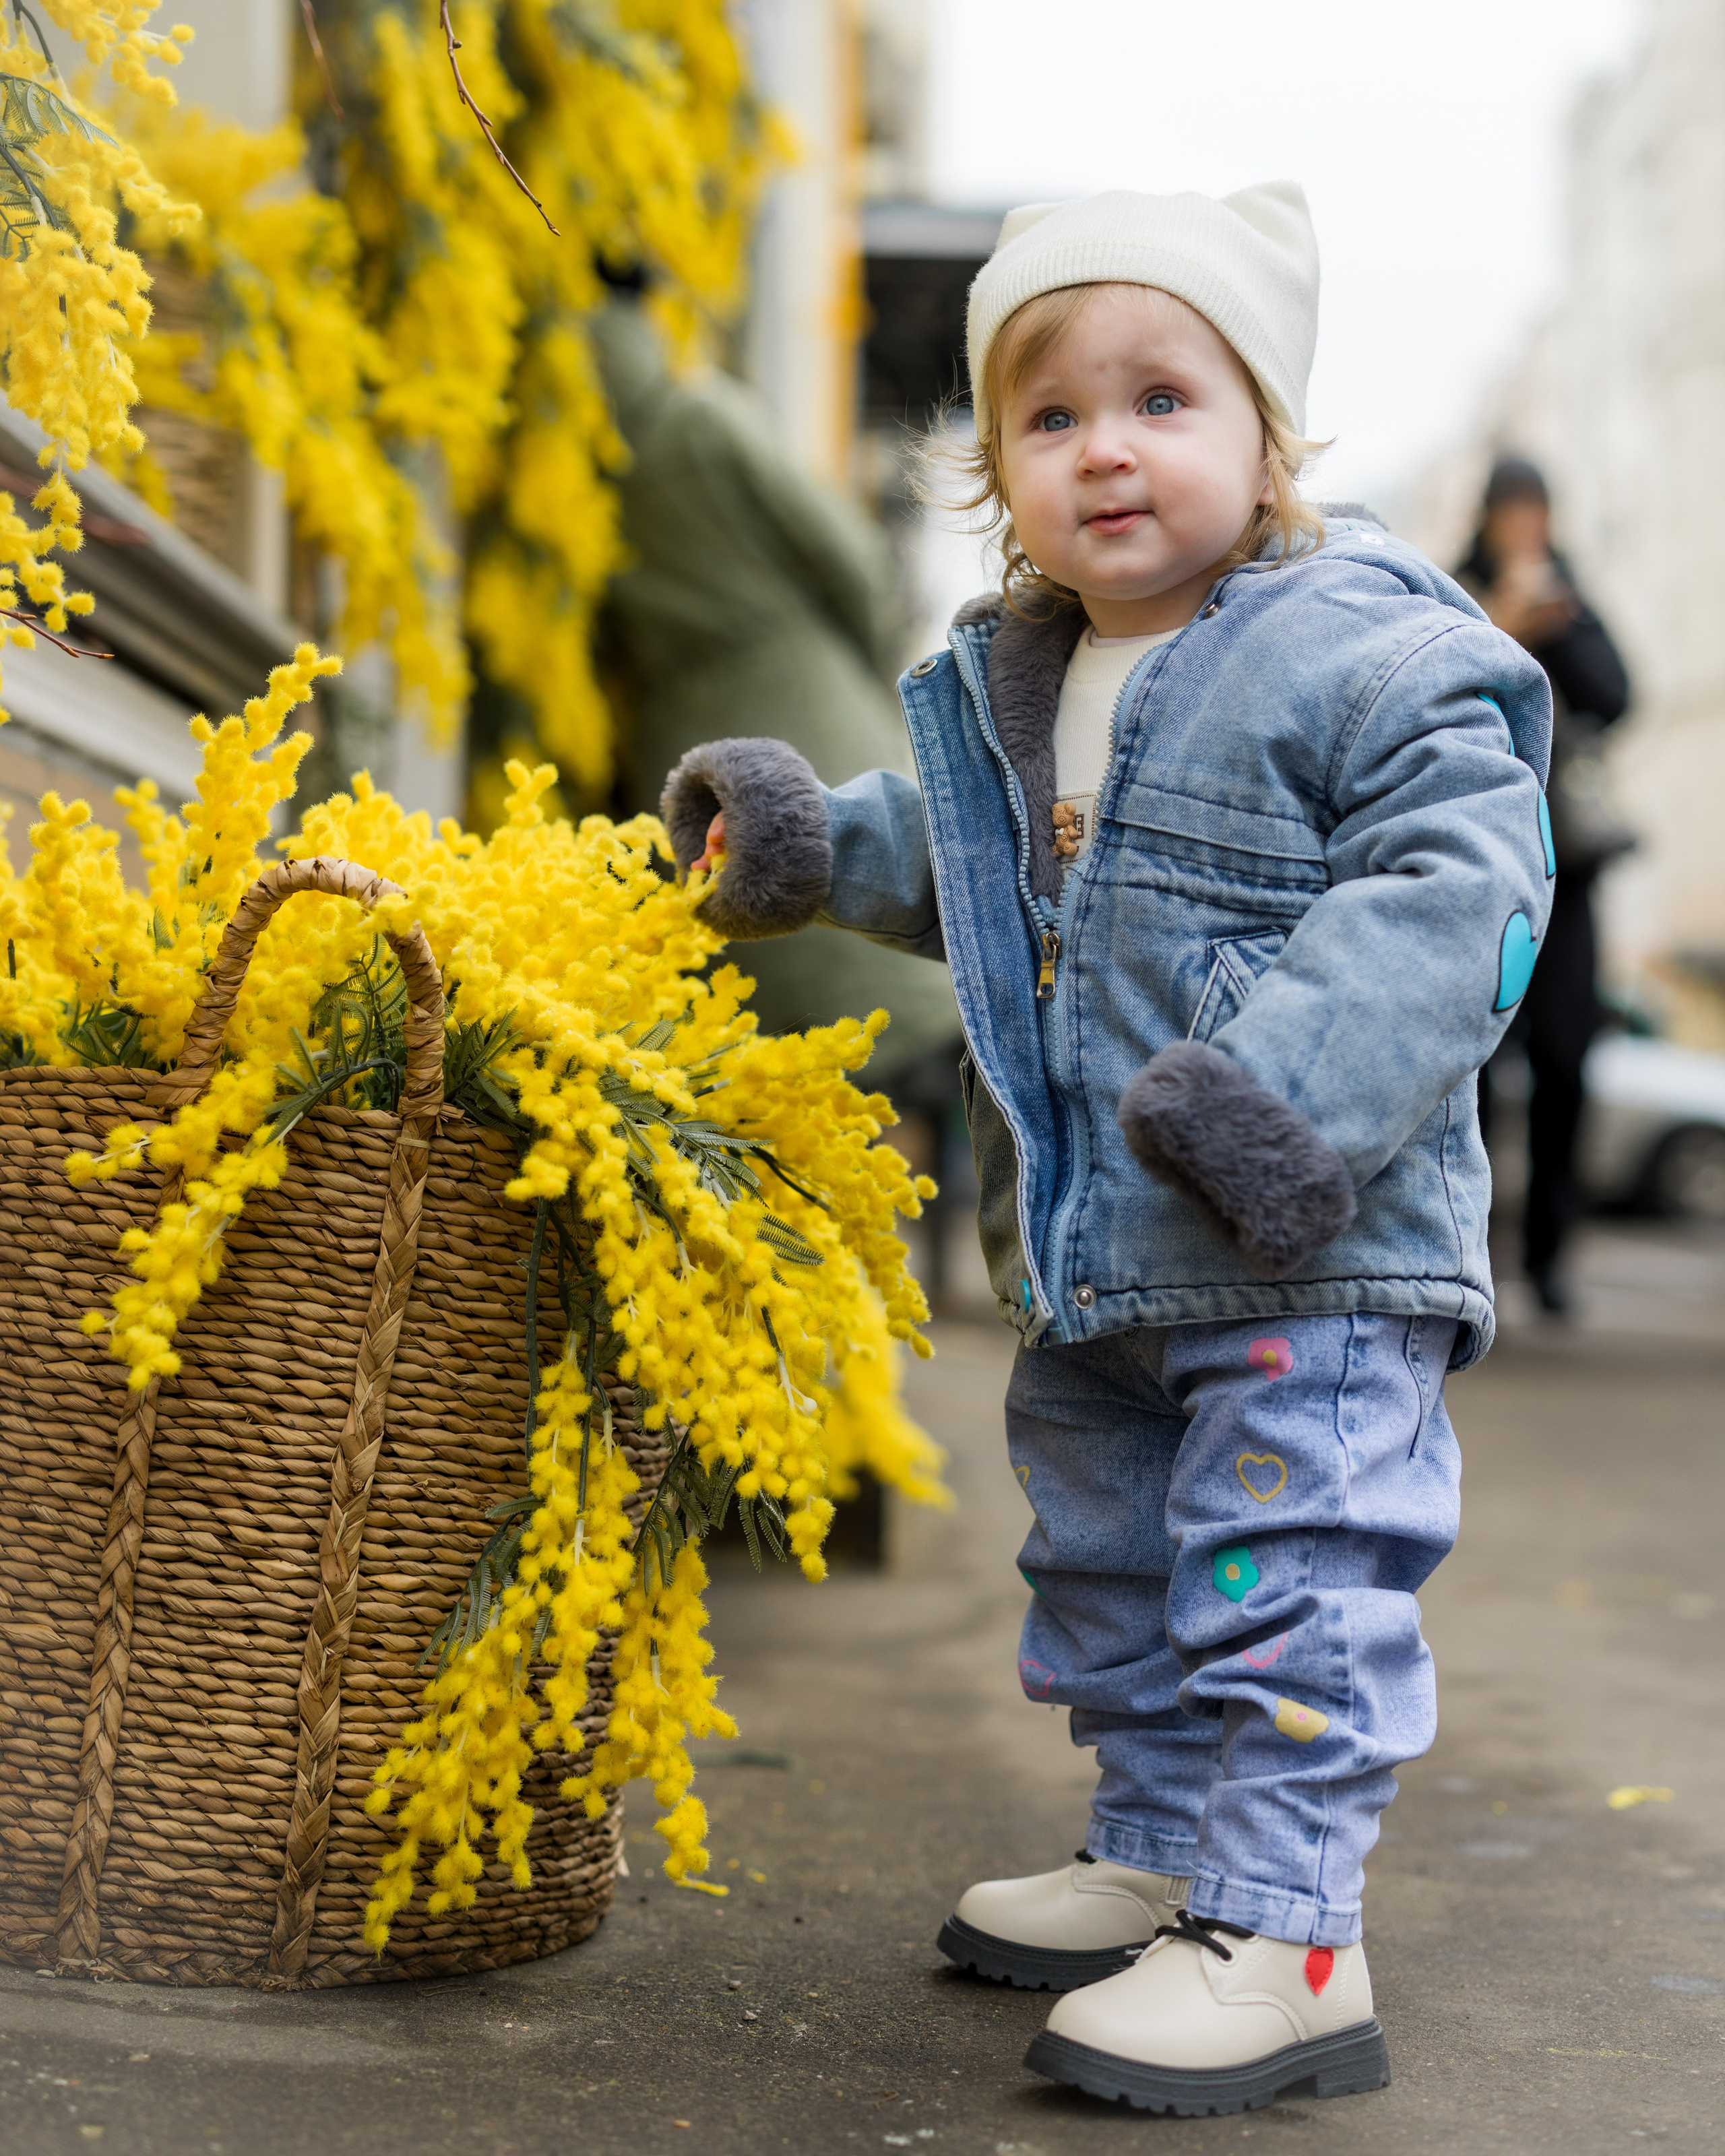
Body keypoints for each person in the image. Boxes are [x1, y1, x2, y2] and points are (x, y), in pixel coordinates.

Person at [662, 185, 1552, 2114]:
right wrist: (818, 840)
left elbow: (1457, 897)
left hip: (1307, 1253)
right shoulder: (1028, 677)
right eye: (1050, 420)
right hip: (1103, 1255)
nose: (1107, 449)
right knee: (1122, 1572)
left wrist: (1277, 1108)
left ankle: (1293, 1932)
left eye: (1163, 397)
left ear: (1269, 435)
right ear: (996, 471)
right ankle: (1168, 1856)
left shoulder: (1366, 654)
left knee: (1287, 1576)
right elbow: (971, 866)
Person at [588, 286, 962, 1101]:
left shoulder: (576, 481)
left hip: (679, 739)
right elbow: (851, 561)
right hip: (805, 703)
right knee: (869, 934)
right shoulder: (702, 422)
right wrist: (864, 674)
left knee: (770, 1002)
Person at [1455, 457, 1632, 1314]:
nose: (1525, 530)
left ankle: (1551, 1259)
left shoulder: (1573, 595)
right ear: (1487, 519)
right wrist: (1502, 624)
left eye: (1538, 513)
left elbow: (1620, 694)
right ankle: (1473, 1250)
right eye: (1511, 514)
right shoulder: (1451, 588)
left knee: (1566, 1058)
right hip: (1482, 863)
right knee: (1477, 1064)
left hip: (1571, 869)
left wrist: (1556, 624)